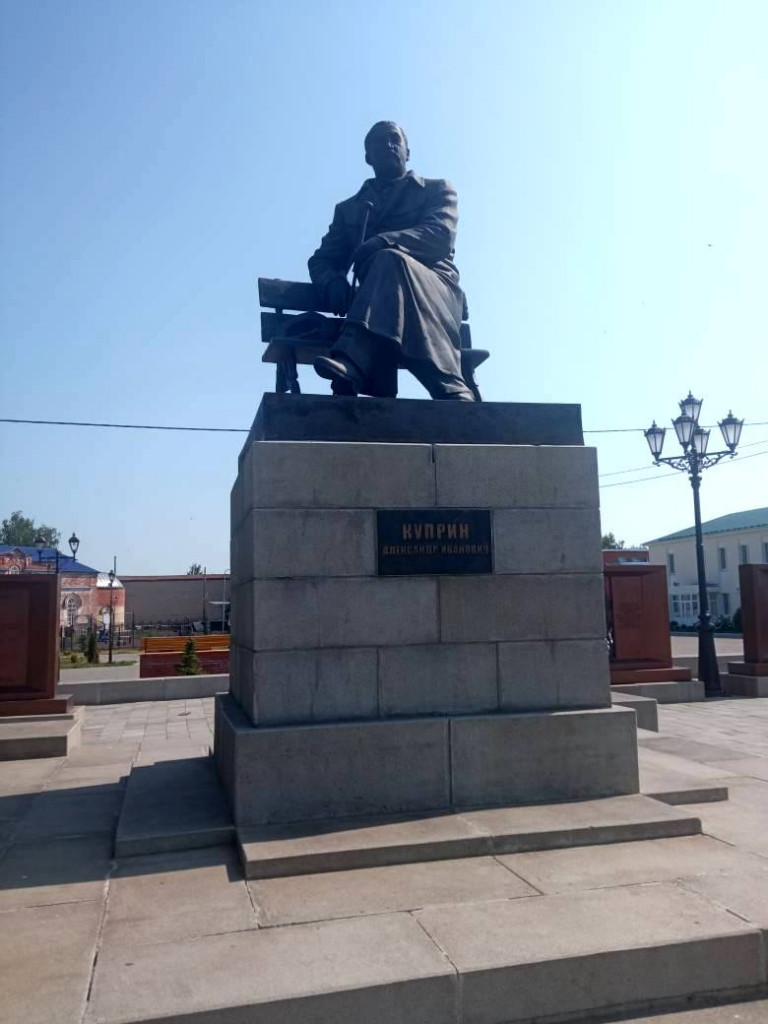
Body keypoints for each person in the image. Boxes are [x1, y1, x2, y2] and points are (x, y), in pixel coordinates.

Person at [308, 121, 475, 400]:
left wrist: (382, 241)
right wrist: (332, 281)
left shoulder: (436, 190)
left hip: (436, 290)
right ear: (367, 157)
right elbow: (322, 260)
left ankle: (353, 362)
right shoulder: (349, 209)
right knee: (388, 263)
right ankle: (450, 388)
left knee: (389, 259)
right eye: (378, 142)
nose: (388, 145)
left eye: (394, 139)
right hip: (380, 305)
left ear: (407, 151)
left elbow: (440, 235)